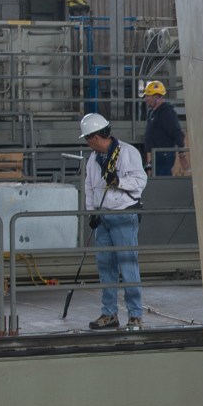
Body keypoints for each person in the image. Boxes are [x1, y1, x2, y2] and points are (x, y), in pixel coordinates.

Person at [80, 111, 147, 331]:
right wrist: (91, 212)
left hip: (124, 214)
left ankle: (135, 315)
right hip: (104, 217)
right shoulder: (93, 159)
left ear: (95, 137)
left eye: (89, 138)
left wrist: (119, 181)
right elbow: (90, 187)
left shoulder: (127, 153)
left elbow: (140, 181)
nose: (89, 143)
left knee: (128, 265)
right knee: (105, 266)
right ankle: (109, 314)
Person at [140, 79, 186, 178]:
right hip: (156, 155)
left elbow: (176, 132)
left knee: (162, 182)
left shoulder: (167, 112)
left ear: (157, 97)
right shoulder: (153, 112)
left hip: (164, 156)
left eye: (149, 96)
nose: (146, 99)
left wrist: (181, 153)